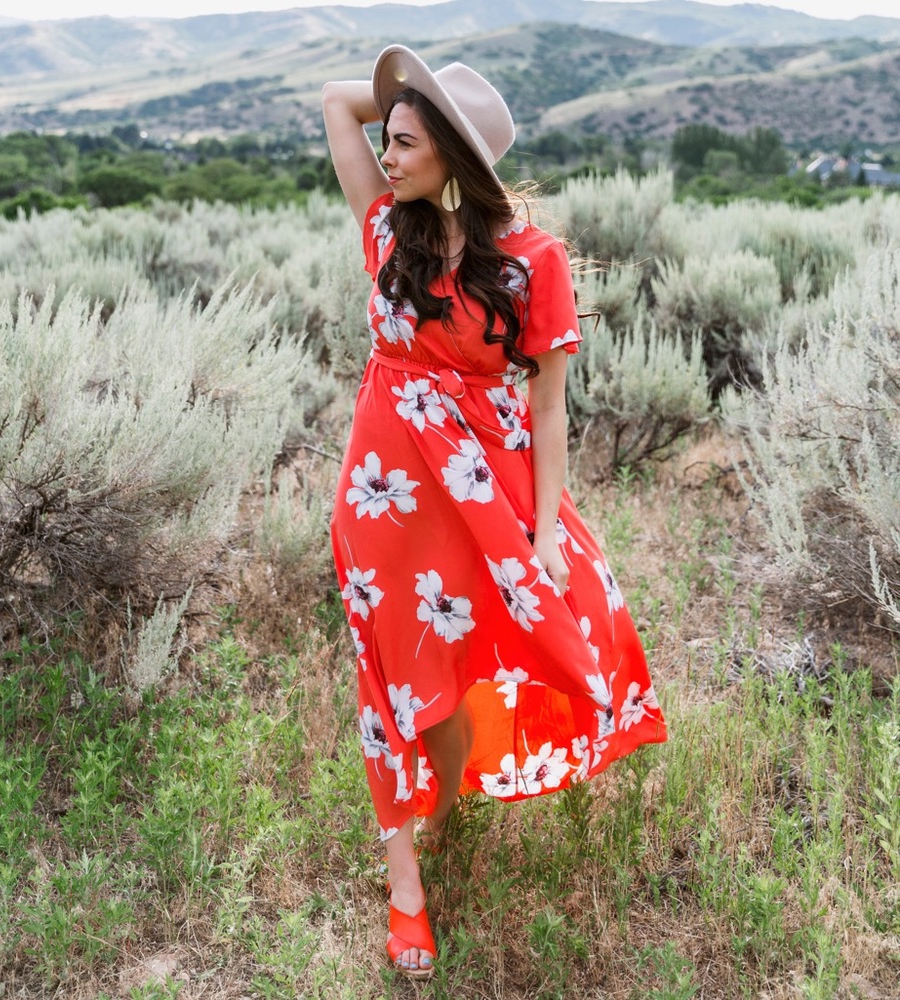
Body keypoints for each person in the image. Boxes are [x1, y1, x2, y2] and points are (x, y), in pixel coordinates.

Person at [322, 44, 667, 980]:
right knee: (398, 677)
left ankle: (441, 810)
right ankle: (405, 885)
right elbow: (337, 101)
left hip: (482, 492)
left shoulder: (531, 261)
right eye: (389, 140)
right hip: (384, 496)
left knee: (509, 641)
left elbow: (549, 410)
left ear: (453, 154)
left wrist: (546, 534)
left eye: (406, 142)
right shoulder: (388, 229)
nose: (387, 154)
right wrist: (413, 95)